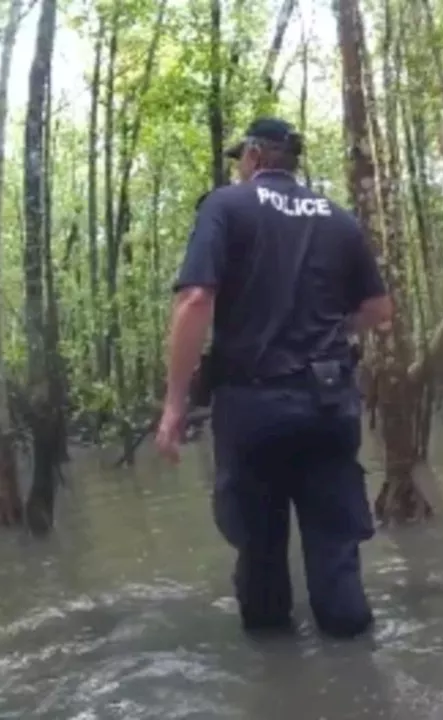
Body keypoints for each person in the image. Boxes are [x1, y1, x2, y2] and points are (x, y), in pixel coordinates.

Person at [155, 117, 393, 638]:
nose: (240, 164)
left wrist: (175, 404)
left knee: (261, 558)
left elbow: (196, 299)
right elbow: (379, 309)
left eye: (242, 156)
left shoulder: (225, 205)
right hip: (330, 407)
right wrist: (337, 329)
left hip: (254, 408)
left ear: (256, 158)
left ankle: (275, 681)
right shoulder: (339, 219)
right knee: (336, 558)